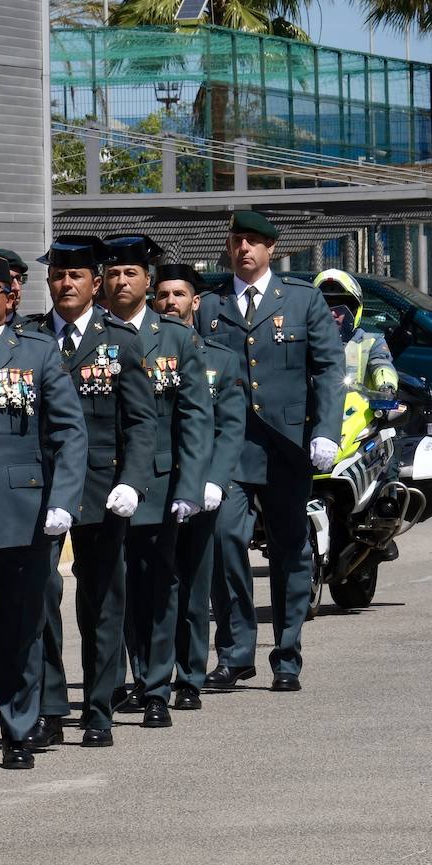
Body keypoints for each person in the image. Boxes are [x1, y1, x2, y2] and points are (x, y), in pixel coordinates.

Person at [0, 253, 86, 768]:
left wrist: (63, 501)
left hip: (21, 512)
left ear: (11, 299)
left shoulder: (39, 352)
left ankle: (18, 727)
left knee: (18, 628)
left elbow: (70, 433)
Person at [197, 212, 343, 692]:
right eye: (237, 241)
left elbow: (326, 367)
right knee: (223, 540)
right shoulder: (210, 305)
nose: (244, 250)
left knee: (291, 550)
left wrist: (324, 430)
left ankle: (287, 654)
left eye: (254, 242)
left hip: (286, 445)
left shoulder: (302, 300)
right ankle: (237, 652)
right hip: (231, 447)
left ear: (271, 249)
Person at [26, 235, 153, 750]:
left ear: (94, 283)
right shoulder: (29, 338)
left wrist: (132, 482)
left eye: (75, 275)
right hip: (41, 487)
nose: (65, 283)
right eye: (57, 275)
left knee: (101, 599)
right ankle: (50, 706)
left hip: (102, 487)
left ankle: (98, 706)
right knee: (41, 596)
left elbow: (141, 423)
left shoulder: (119, 340)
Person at [100, 235, 210, 729]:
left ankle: (158, 686)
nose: (121, 281)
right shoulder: (90, 335)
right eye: (114, 273)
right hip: (102, 480)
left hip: (160, 483)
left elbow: (194, 420)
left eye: (131, 273)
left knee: (159, 581)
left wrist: (190, 486)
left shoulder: (176, 338)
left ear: (148, 281)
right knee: (114, 585)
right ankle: (132, 674)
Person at [152, 264, 245, 711]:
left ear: (196, 302)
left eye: (179, 294)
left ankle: (188, 676)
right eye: (163, 295)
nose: (170, 302)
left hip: (200, 488)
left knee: (192, 583)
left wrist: (214, 481)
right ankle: (148, 676)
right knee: (149, 585)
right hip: (152, 484)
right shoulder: (139, 350)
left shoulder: (221, 359)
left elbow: (230, 429)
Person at [314, 269, 399, 394]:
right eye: (325, 305)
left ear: (354, 310)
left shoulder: (371, 342)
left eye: (340, 306)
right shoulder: (305, 342)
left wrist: (386, 386)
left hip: (362, 412)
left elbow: (381, 364)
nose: (332, 312)